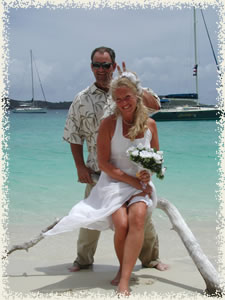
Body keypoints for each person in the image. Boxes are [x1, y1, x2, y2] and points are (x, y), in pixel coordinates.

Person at [44, 70, 162, 295]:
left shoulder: (150, 125)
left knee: (137, 217)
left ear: (136, 95)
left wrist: (147, 173)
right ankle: (121, 267)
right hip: (114, 182)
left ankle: (125, 278)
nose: (123, 103)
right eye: (118, 99)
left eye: (127, 97)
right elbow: (104, 164)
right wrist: (130, 180)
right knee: (121, 224)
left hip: (140, 184)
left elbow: (156, 159)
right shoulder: (108, 124)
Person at [62, 46, 168, 273]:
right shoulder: (81, 99)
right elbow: (73, 134)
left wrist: (133, 84)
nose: (101, 70)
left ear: (113, 65)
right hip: (98, 170)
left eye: (106, 65)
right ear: (91, 67)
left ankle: (150, 259)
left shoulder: (127, 90)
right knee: (90, 218)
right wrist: (79, 166)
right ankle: (83, 260)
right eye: (97, 65)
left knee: (142, 221)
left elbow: (156, 106)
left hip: (131, 170)